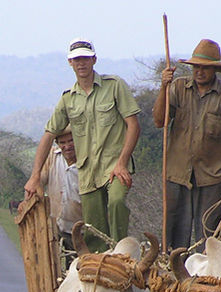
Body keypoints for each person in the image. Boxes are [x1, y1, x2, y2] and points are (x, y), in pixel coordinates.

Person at [24, 38, 141, 252]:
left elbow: (133, 125)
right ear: (70, 63)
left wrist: (122, 162)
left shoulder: (114, 86)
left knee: (116, 202)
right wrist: (34, 177)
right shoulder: (68, 99)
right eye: (76, 59)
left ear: (94, 60)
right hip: (87, 173)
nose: (81, 63)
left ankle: (121, 255)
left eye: (85, 58)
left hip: (115, 166)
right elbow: (49, 135)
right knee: (94, 229)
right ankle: (99, 267)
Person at [153, 39, 221, 252]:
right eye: (196, 67)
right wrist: (163, 87)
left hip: (211, 176)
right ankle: (173, 278)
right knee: (174, 237)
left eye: (205, 67)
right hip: (177, 174)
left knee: (209, 236)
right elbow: (160, 121)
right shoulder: (178, 87)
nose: (200, 71)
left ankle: (204, 278)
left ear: (215, 69)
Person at [40, 127, 82, 254]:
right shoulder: (52, 157)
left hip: (82, 229)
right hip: (57, 226)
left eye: (71, 141)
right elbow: (39, 181)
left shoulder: (87, 158)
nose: (67, 146)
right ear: (57, 143)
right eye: (63, 143)